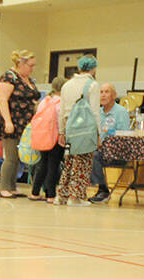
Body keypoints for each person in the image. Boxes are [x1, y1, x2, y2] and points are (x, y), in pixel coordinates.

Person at [0, 48, 40, 198]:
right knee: (11, 156)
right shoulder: (8, 77)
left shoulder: (29, 80)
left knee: (19, 157)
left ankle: (13, 186)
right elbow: (2, 100)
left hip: (26, 124)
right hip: (12, 122)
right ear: (21, 63)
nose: (32, 69)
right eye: (30, 65)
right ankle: (4, 187)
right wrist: (8, 121)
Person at [55, 54, 101, 206]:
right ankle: (76, 197)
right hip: (85, 127)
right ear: (93, 68)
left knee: (69, 161)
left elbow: (61, 111)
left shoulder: (66, 85)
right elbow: (95, 111)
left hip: (69, 125)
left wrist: (61, 131)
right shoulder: (92, 85)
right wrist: (98, 133)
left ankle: (62, 195)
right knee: (83, 162)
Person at [89, 83, 130, 203]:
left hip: (117, 151)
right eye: (101, 92)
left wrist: (105, 143)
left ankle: (103, 190)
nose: (103, 95)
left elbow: (123, 135)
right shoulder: (97, 112)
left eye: (106, 92)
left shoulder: (121, 112)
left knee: (94, 155)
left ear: (114, 95)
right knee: (85, 153)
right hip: (99, 149)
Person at [27, 78, 65, 203]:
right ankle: (51, 194)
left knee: (43, 164)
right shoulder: (61, 103)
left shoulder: (44, 101)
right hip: (55, 137)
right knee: (53, 165)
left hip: (42, 136)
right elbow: (62, 120)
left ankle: (35, 192)